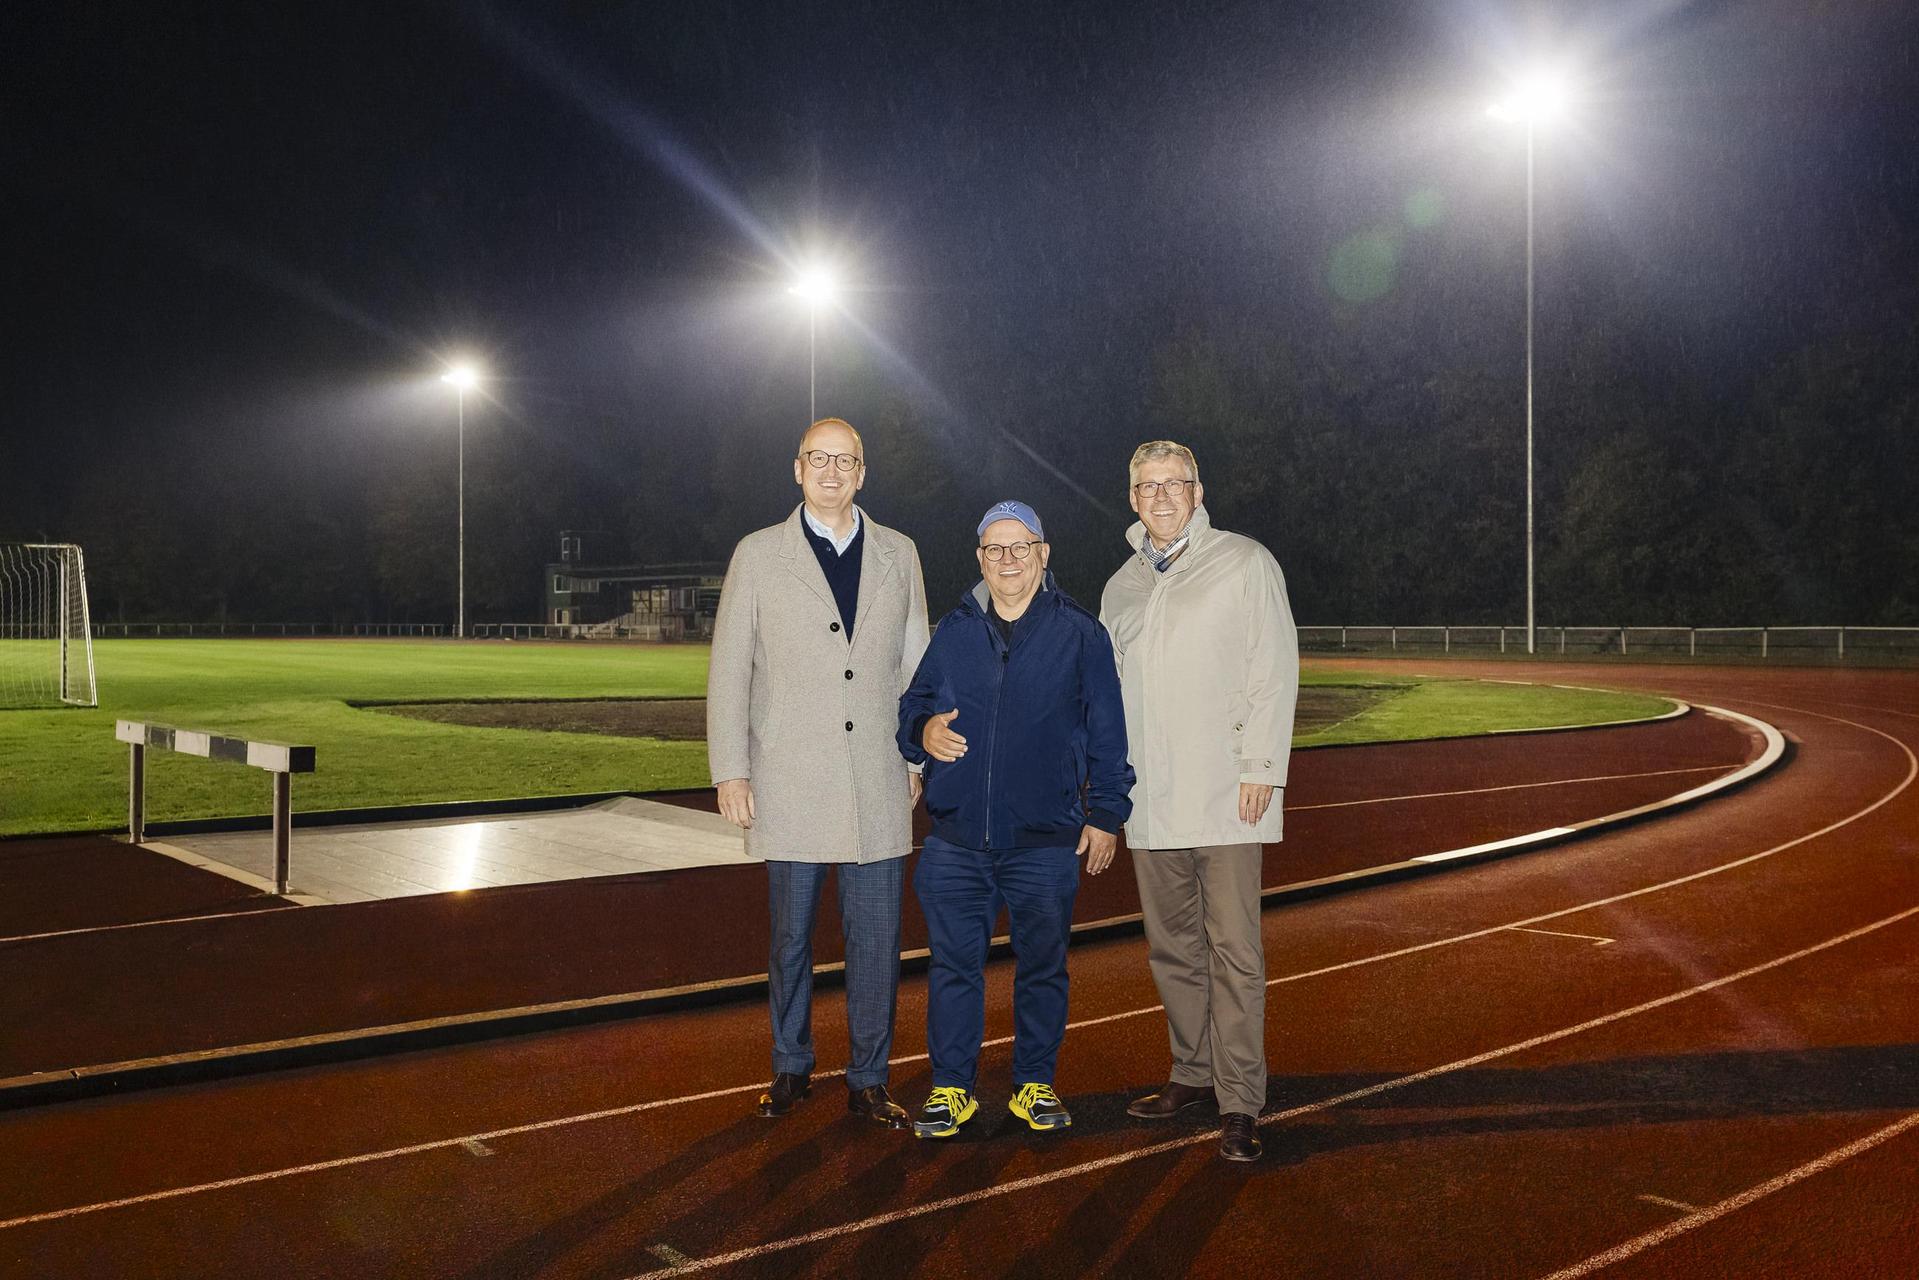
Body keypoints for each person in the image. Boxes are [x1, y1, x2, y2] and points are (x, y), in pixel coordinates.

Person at [707, 417, 930, 1128]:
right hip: (788, 777)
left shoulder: (900, 552)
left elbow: (915, 668)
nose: (831, 471)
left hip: (876, 778)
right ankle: (790, 1066)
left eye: (845, 460)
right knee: (790, 940)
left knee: (876, 944)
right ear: (796, 469)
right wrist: (730, 770)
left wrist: (916, 756)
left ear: (862, 473)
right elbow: (728, 671)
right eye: (818, 459)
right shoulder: (757, 554)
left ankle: (868, 1078)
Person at [897, 500, 1134, 1139]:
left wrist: (1107, 812)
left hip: (1044, 841)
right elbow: (911, 706)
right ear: (980, 558)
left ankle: (1033, 1083)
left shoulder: (1081, 633)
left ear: (1043, 554)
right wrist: (921, 730)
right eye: (994, 549)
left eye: (1019, 547)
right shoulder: (954, 631)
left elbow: (1109, 734)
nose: (1007, 560)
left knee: (1042, 966)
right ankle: (952, 1088)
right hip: (956, 841)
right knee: (952, 967)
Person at [1098, 440, 1298, 1163]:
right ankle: (1192, 1071)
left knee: (1233, 951)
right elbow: (1110, 701)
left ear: (1196, 489)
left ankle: (1240, 1099)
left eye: (1172, 483)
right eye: (1145, 485)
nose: (1159, 496)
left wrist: (1260, 767)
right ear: (1130, 497)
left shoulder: (1243, 562)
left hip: (1224, 794)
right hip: (1150, 800)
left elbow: (1273, 667)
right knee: (1173, 949)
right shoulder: (1120, 585)